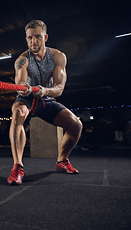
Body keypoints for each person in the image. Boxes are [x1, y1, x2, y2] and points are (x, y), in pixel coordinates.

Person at [7, 20, 83, 185]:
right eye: (29, 38)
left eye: (37, 37)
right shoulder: (22, 60)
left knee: (76, 125)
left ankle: (62, 161)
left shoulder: (58, 56)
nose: (33, 41)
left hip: (46, 99)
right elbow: (20, 81)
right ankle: (17, 167)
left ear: (45, 37)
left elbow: (59, 88)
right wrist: (22, 88)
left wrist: (44, 91)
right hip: (26, 99)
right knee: (17, 112)